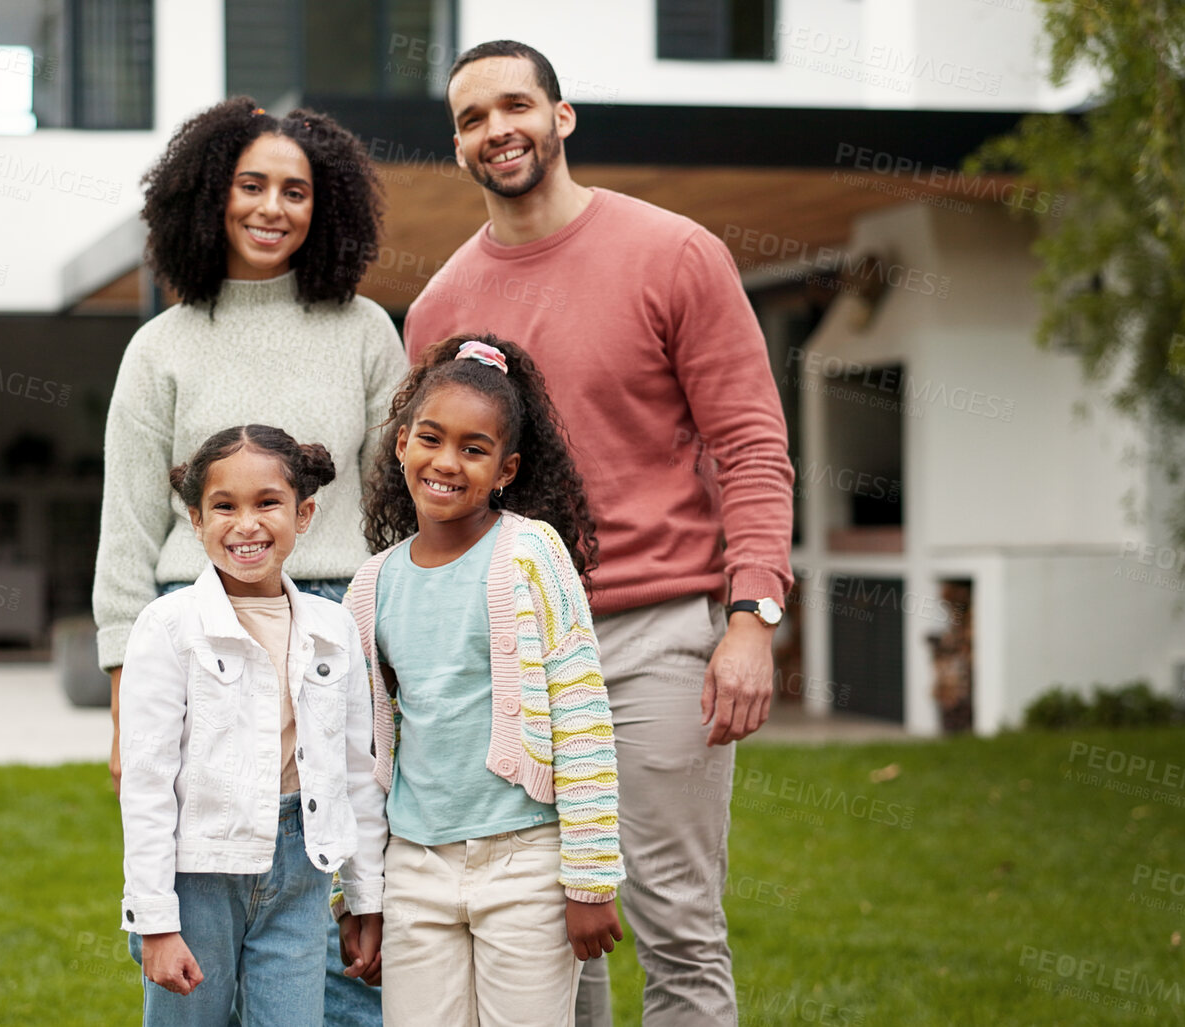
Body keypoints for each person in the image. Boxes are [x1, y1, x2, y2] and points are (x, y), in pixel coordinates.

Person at [401, 41, 797, 1027]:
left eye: (515, 106)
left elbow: (750, 444)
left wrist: (752, 613)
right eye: (472, 118)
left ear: (562, 116)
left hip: (658, 632)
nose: (497, 130)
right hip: (515, 651)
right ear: (457, 144)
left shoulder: (674, 254)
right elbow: (440, 496)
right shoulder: (440, 309)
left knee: (675, 923)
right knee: (547, 933)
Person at [96, 96, 406, 1023]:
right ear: (209, 196)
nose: (272, 207)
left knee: (325, 871)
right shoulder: (161, 346)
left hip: (333, 618)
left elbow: (392, 504)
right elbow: (125, 522)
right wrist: (121, 704)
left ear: (327, 208)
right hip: (195, 624)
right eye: (251, 185)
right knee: (204, 878)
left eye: (296, 191)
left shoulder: (364, 331)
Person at [340, 334, 623, 1026]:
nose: (446, 462)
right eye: (431, 439)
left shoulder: (530, 554)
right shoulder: (370, 586)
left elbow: (582, 715)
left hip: (523, 860)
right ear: (401, 442)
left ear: (505, 469)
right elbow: (359, 755)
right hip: (415, 867)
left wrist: (588, 878)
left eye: (474, 448)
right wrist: (359, 895)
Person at [119, 425, 388, 1027]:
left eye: (268, 503)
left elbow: (354, 773)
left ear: (306, 513)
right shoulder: (168, 626)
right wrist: (157, 921)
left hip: (300, 871)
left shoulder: (332, 626)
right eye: (224, 506)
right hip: (199, 876)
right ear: (195, 519)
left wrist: (364, 899)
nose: (247, 524)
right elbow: (147, 783)